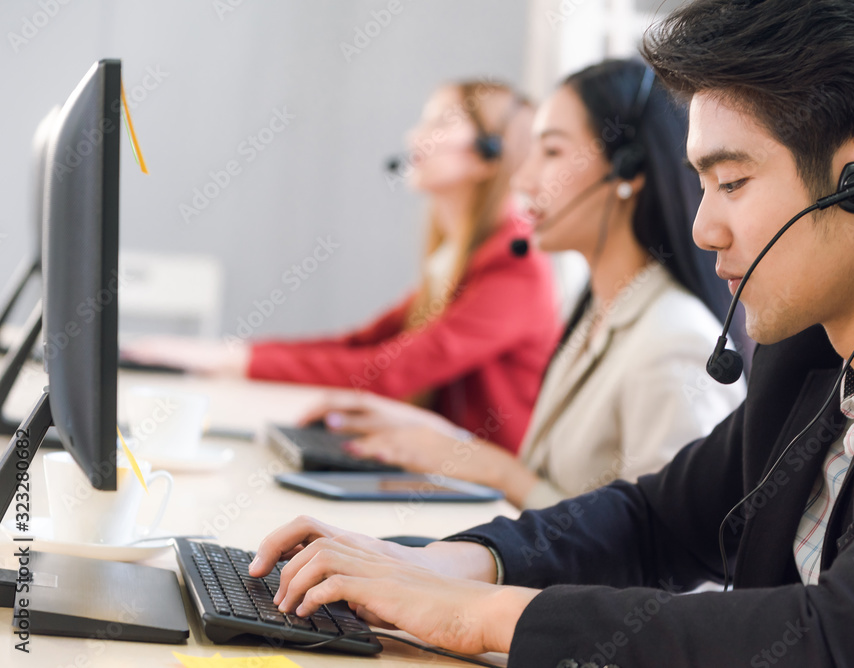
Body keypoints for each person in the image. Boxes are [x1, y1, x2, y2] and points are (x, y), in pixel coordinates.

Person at [248, 0, 854, 665]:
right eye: (702, 185)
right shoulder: (813, 352)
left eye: (732, 182)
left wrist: (478, 617)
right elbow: (653, 522)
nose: (705, 228)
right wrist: (442, 564)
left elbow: (851, 643)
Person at [294, 60, 746, 509]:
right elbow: (555, 489)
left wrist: (495, 470)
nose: (524, 179)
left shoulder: (675, 347)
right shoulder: (595, 311)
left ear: (626, 171)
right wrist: (434, 437)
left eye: (550, 153)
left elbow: (666, 569)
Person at [123, 81, 561, 452]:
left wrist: (228, 360)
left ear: (491, 152)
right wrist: (224, 356)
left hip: (490, 490)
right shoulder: (459, 256)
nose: (414, 138)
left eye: (439, 123)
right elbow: (359, 345)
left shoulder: (514, 265)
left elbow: (389, 371)